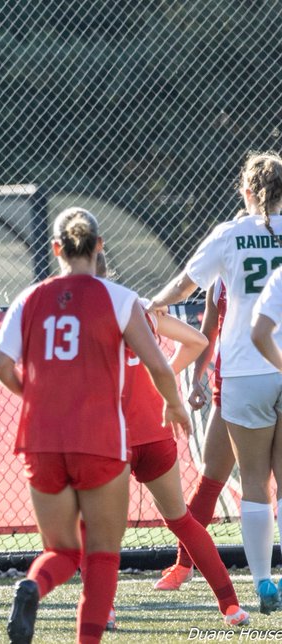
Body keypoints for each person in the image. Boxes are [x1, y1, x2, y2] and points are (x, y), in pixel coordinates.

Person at [0, 209, 190, 643]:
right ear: (99, 246)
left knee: (61, 549)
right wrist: (174, 405)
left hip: (41, 439)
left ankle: (33, 586)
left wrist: (38, 399)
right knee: (102, 553)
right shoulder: (119, 298)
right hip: (99, 438)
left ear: (56, 249)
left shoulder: (29, 298)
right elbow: (158, 364)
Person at [149, 152, 282, 613]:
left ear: (246, 191)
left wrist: (153, 306)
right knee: (221, 478)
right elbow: (208, 325)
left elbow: (187, 290)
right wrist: (202, 376)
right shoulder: (237, 251)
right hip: (249, 371)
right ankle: (187, 565)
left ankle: (255, 582)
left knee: (243, 482)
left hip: (245, 374)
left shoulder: (228, 239)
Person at [94, 254, 247, 629]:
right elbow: (196, 340)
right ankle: (231, 606)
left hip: (111, 434)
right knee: (181, 520)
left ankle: (103, 609)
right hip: (155, 429)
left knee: (101, 526)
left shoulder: (76, 313)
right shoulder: (139, 306)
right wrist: (158, 377)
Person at [156, 278, 237, 591]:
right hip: (238, 385)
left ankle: (185, 566)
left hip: (248, 384)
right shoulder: (224, 273)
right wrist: (195, 380)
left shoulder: (232, 256)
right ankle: (184, 564)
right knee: (211, 480)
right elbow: (209, 332)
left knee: (249, 482)